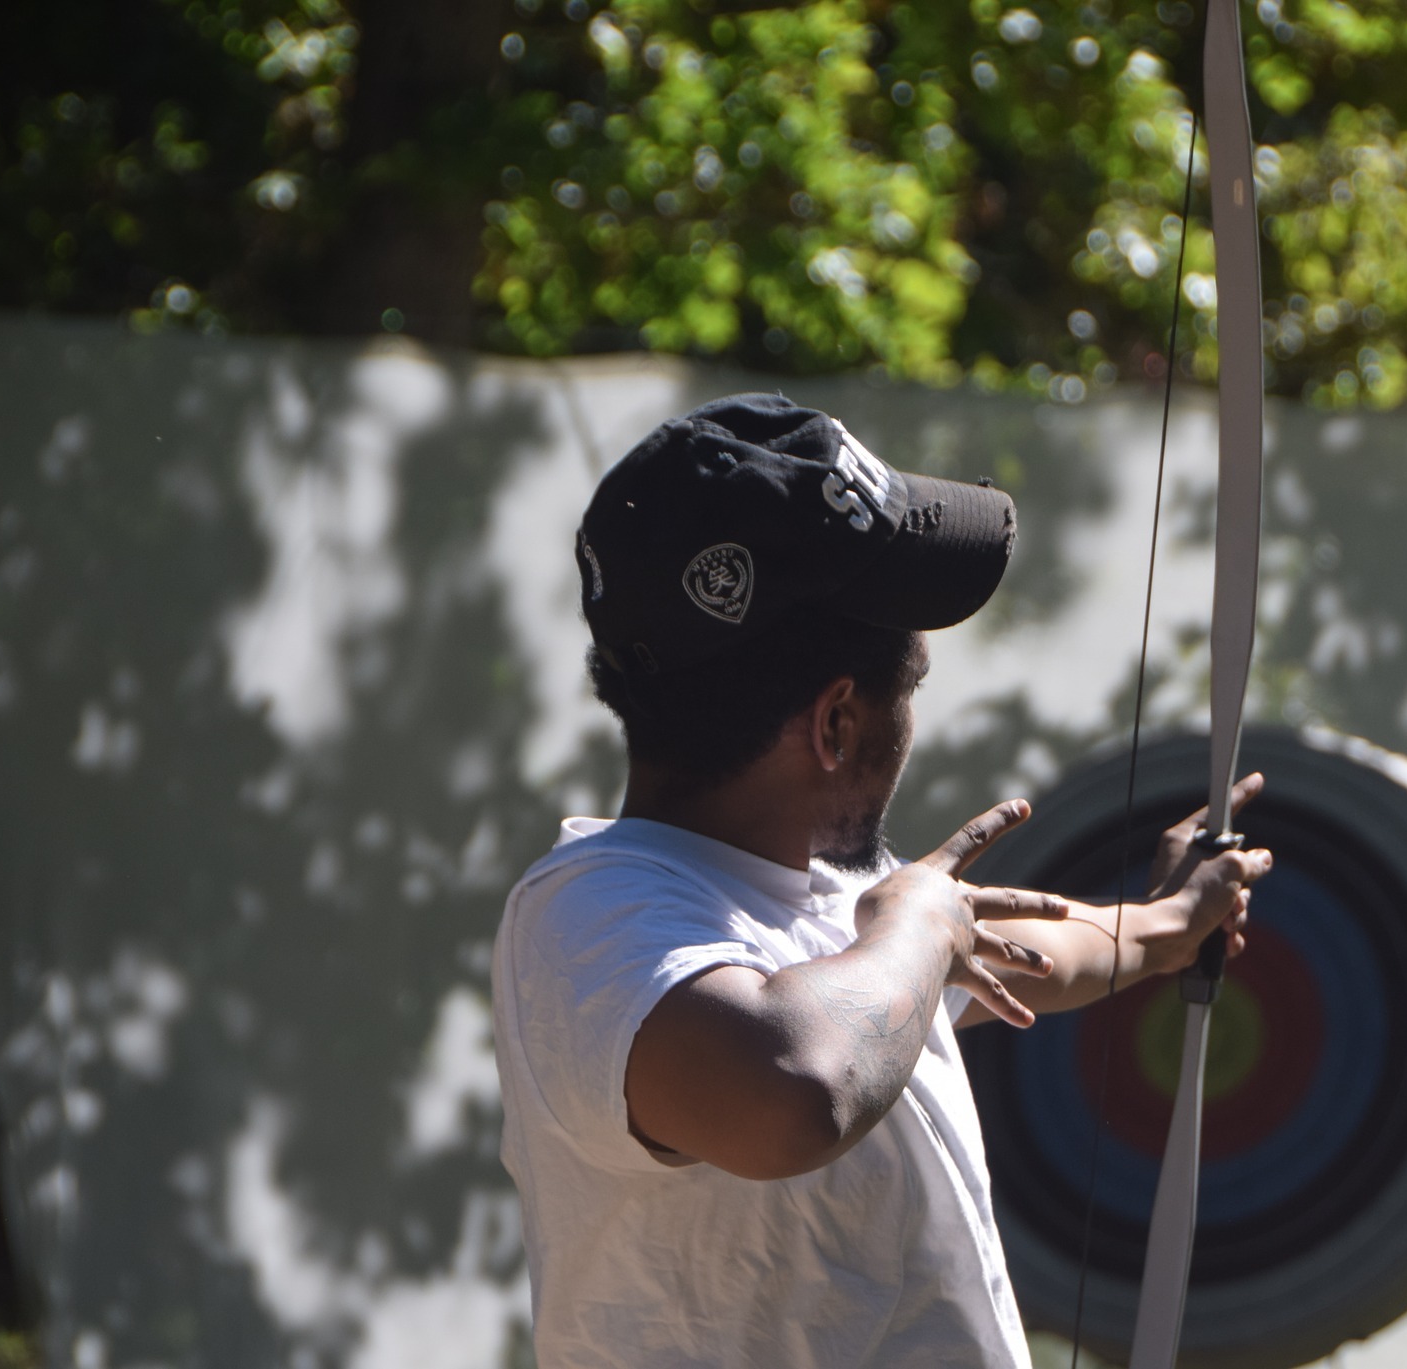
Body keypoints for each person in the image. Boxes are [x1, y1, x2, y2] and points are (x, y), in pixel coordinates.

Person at [490, 394, 1272, 1369]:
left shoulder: (840, 919)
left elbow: (1034, 954)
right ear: (835, 725)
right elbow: (793, 1091)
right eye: (908, 693)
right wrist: (918, 926)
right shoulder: (588, 914)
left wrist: (1168, 920)